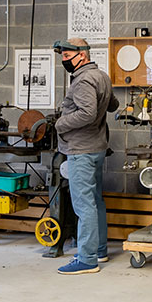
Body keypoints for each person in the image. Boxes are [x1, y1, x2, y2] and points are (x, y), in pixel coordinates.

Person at [52, 38, 119, 275]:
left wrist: (60, 123)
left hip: (81, 149)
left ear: (82, 55)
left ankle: (87, 258)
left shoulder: (82, 81)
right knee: (95, 200)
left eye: (67, 57)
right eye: (62, 58)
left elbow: (87, 113)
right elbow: (113, 105)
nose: (65, 62)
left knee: (84, 205)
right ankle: (99, 250)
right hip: (98, 147)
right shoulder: (102, 76)